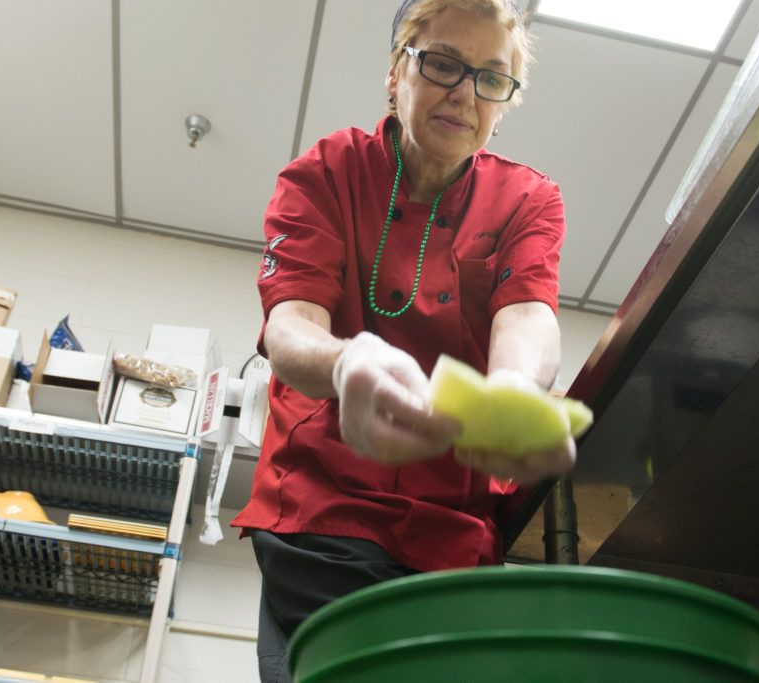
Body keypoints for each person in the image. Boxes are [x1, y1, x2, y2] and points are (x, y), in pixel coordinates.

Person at [230, 1, 575, 680]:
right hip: (325, 513)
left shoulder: (528, 199)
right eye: (442, 64)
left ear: (505, 103)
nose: (463, 94)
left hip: (456, 530)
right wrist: (348, 357)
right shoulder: (326, 171)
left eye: (490, 78)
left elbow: (527, 315)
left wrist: (514, 387)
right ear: (396, 71)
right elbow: (289, 325)